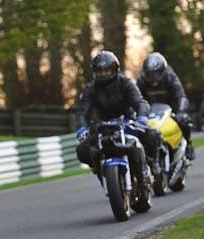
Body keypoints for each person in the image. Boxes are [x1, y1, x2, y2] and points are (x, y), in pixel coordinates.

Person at [76, 51, 161, 185]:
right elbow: (82, 112)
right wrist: (82, 128)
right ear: (95, 72)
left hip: (127, 121)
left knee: (151, 134)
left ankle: (152, 161)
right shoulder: (90, 89)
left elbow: (139, 102)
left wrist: (142, 118)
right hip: (101, 126)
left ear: (115, 70)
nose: (103, 74)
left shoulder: (125, 83)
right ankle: (97, 168)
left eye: (107, 70)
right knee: (82, 150)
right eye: (100, 71)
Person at [136, 52, 195, 160]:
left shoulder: (170, 78)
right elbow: (136, 99)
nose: (153, 77)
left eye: (156, 73)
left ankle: (189, 145)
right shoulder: (141, 82)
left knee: (185, 120)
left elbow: (181, 96)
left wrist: (181, 111)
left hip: (171, 110)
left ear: (162, 70)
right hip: (150, 113)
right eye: (150, 73)